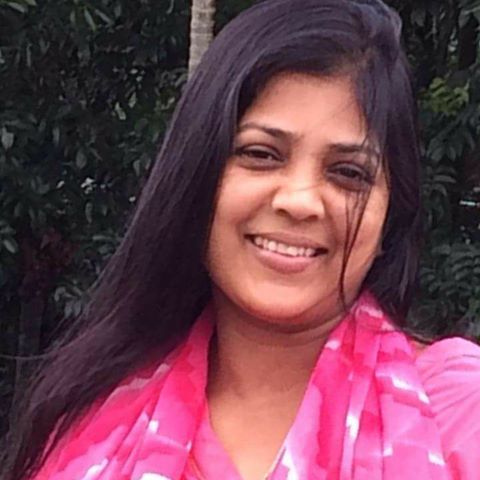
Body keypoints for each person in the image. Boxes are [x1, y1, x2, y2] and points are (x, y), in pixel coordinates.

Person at [4, 0, 480, 479]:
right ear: (195, 176)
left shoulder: (458, 413)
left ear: (389, 218)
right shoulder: (91, 417)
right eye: (261, 154)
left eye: (349, 173)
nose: (299, 201)